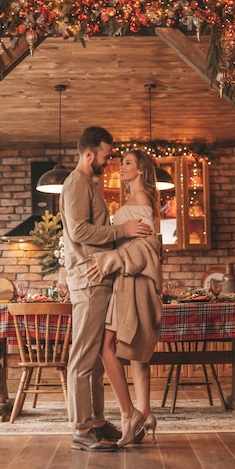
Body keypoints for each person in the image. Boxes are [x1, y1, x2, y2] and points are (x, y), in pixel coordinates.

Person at [59, 127, 153, 452]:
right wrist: (121, 229)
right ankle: (81, 430)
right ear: (89, 154)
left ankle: (97, 421)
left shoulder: (88, 184)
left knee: (97, 358)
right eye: (106, 155)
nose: (109, 160)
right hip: (88, 281)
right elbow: (79, 230)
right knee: (83, 357)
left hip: (98, 280)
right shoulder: (75, 184)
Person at [86, 149, 163, 447]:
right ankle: (144, 413)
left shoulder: (140, 200)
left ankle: (129, 414)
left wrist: (109, 259)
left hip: (132, 282)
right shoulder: (134, 201)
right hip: (128, 281)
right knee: (136, 351)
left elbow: (148, 248)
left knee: (108, 347)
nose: (121, 168)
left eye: (128, 163)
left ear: (141, 170)